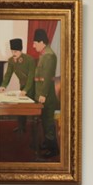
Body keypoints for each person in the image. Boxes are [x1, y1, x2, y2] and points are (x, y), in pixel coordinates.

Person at [32, 28, 59, 158]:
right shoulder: (44, 53)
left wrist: (42, 95)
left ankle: (53, 149)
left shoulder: (49, 55)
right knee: (44, 121)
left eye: (35, 43)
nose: (33, 45)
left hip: (46, 96)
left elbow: (48, 77)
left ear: (42, 42)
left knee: (48, 122)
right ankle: (47, 143)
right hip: (42, 95)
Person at [0, 38, 36, 133]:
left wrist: (26, 90)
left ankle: (34, 129)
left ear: (21, 50)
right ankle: (21, 127)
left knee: (32, 109)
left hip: (32, 86)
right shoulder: (11, 61)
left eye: (16, 51)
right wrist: (3, 86)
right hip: (22, 86)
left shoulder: (29, 59)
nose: (14, 53)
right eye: (12, 51)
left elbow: (31, 77)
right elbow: (8, 74)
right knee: (20, 106)